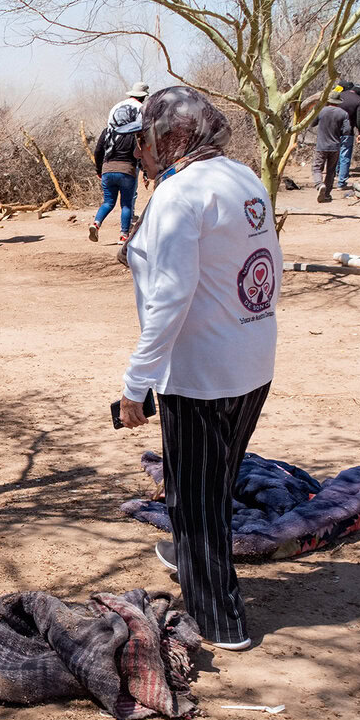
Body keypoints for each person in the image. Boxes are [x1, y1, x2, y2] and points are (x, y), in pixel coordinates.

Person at [115, 86, 280, 652]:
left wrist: (136, 384)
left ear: (176, 136)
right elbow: (264, 267)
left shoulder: (180, 195)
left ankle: (220, 620)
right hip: (251, 360)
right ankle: (189, 561)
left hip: (202, 374)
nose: (140, 152)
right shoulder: (242, 177)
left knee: (194, 500)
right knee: (214, 484)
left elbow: (170, 298)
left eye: (147, 139)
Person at [91, 102, 142, 243]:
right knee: (126, 204)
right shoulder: (133, 133)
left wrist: (99, 169)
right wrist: (143, 169)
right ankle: (123, 235)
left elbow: (98, 151)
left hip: (107, 170)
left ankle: (96, 223)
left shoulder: (107, 131)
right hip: (127, 171)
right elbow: (137, 153)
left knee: (108, 202)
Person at [313, 90, 351, 203]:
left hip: (321, 145)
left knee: (317, 168)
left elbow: (311, 124)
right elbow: (347, 130)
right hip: (335, 146)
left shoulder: (321, 111)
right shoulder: (343, 113)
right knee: (331, 171)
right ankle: (327, 194)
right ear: (338, 101)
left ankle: (319, 185)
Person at [337, 81, 360, 190]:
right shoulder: (359, 100)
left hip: (333, 130)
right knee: (345, 155)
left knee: (335, 153)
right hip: (347, 131)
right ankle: (341, 182)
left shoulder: (339, 95)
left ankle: (334, 175)